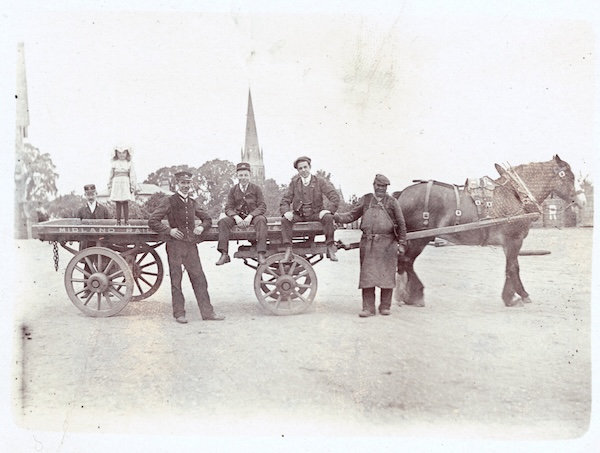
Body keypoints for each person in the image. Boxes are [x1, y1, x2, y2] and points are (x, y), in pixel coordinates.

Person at [148, 171, 224, 324]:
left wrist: (201, 227)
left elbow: (207, 219)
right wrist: (169, 231)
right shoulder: (169, 201)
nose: (186, 186)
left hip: (190, 246)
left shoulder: (193, 202)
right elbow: (153, 220)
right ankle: (179, 314)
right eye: (183, 183)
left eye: (188, 183)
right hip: (175, 246)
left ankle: (207, 312)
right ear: (177, 184)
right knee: (176, 280)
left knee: (199, 278)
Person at [333, 174, 407, 317]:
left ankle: (385, 306)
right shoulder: (366, 200)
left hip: (388, 243)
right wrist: (334, 216)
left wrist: (402, 243)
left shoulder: (392, 202)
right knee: (368, 276)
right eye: (379, 186)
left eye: (384, 187)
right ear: (374, 185)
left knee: (387, 276)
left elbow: (401, 223)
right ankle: (368, 308)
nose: (381, 189)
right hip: (368, 243)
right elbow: (351, 216)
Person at [280, 156, 340, 262]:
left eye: (305, 167)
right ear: (298, 170)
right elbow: (285, 200)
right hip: (300, 215)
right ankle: (288, 250)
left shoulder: (319, 181)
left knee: (328, 217)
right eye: (300, 168)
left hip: (315, 214)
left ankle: (330, 247)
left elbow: (334, 196)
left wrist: (328, 210)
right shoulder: (295, 183)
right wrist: (286, 212)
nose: (303, 170)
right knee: (285, 220)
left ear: (310, 167)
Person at [216, 162, 268, 266]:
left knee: (261, 220)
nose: (243, 178)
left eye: (245, 175)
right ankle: (224, 254)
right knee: (223, 222)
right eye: (241, 175)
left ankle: (261, 253)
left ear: (250, 175)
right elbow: (228, 207)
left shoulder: (256, 189)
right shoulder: (233, 190)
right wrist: (235, 217)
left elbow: (262, 206)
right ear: (237, 176)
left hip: (253, 217)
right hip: (238, 218)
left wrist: (251, 216)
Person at [108, 145, 137, 225]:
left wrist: (132, 186)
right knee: (117, 202)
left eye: (124, 153)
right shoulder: (114, 163)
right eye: (119, 153)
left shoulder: (129, 163)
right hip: (117, 183)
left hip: (125, 183)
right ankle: (118, 221)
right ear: (116, 153)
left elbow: (132, 175)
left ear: (127, 153)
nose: (121, 155)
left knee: (125, 202)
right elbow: (111, 174)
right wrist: (109, 183)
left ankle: (126, 221)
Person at [77, 183, 110, 249]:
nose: (90, 197)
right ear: (85, 195)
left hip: (100, 241)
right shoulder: (81, 211)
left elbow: (108, 225)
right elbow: (78, 227)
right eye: (88, 195)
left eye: (92, 194)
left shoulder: (104, 209)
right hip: (86, 243)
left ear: (96, 194)